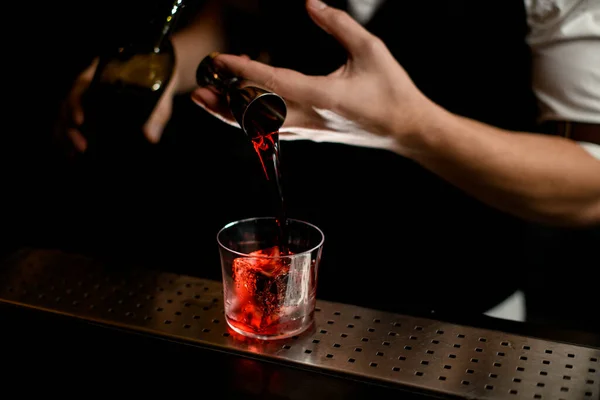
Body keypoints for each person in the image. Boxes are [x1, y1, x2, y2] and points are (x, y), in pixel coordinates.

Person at [53, 0, 596, 327]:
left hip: (458, 311)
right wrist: (169, 59)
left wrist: (406, 128)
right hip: (286, 306)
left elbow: (589, 185)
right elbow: (238, 15)